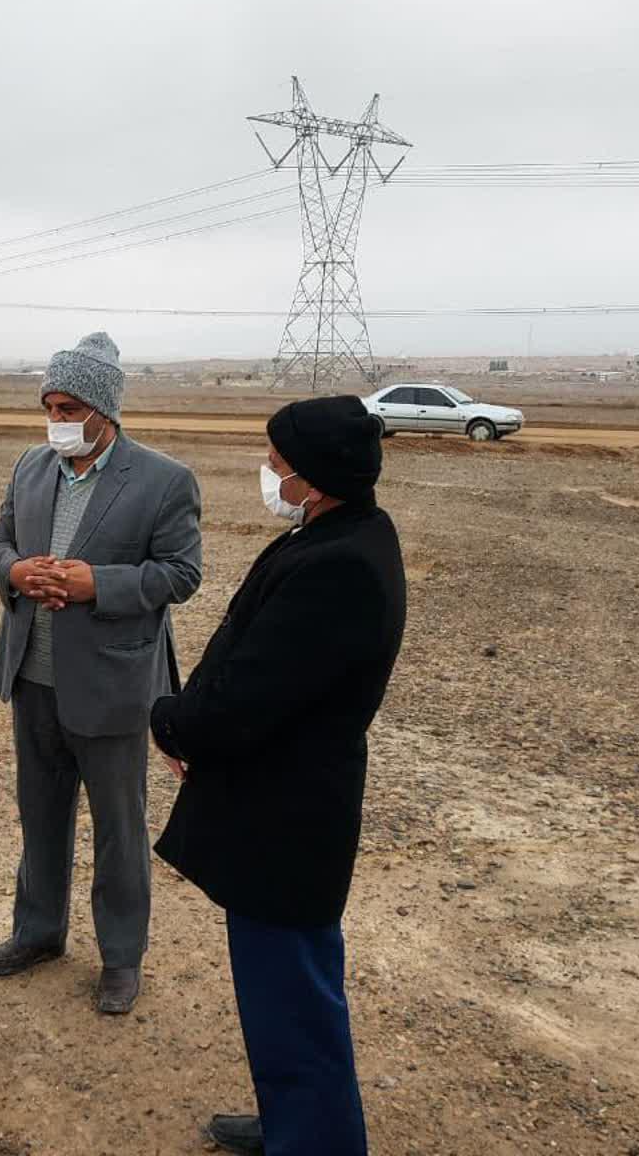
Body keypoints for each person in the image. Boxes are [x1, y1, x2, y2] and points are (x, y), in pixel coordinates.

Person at [150, 395, 406, 1156]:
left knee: (293, 996)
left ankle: (316, 1140)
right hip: (275, 805)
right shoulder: (340, 531)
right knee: (277, 997)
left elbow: (254, 691)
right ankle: (293, 1122)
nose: (267, 469)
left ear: (314, 475)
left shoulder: (341, 566)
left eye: (277, 459)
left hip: (286, 819)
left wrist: (173, 722)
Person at [0, 332, 202, 1014]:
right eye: (49, 404)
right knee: (40, 817)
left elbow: (181, 574)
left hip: (112, 685)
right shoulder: (31, 466)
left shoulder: (164, 480)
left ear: (104, 409)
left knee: (118, 828)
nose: (57, 419)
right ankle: (38, 932)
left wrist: (94, 584)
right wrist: (16, 572)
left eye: (69, 405)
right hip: (33, 678)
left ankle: (120, 958)